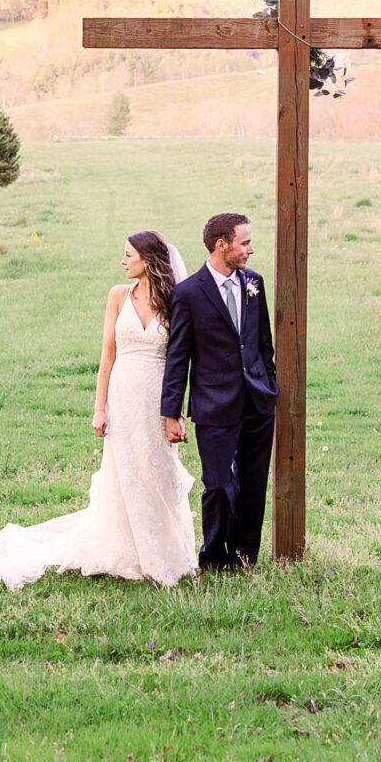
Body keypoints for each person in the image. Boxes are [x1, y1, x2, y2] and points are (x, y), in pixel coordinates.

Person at [0, 230, 198, 590]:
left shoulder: (175, 300)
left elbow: (180, 360)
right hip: (122, 395)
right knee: (123, 471)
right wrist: (99, 409)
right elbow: (107, 357)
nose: (123, 261)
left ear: (148, 260)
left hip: (157, 396)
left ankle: (165, 552)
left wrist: (176, 412)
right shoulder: (117, 296)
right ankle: (129, 553)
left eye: (128, 255)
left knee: (157, 469)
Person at [162, 212, 276, 571]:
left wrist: (269, 384)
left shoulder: (253, 283)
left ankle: (245, 557)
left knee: (254, 484)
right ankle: (213, 557)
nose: (250, 249)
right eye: (244, 243)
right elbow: (178, 357)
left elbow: (263, 343)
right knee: (219, 485)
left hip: (258, 400)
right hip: (213, 405)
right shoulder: (188, 294)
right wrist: (172, 412)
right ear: (221, 245)